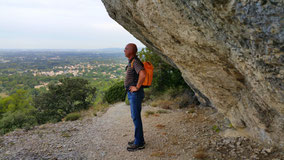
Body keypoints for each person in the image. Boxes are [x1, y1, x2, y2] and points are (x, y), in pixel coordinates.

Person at [124, 43, 146, 151]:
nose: (124, 50)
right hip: (133, 94)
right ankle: (138, 139)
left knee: (136, 117)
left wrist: (136, 87)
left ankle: (139, 143)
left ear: (132, 51)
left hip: (135, 94)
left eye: (126, 48)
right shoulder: (132, 62)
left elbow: (142, 74)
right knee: (135, 117)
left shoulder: (135, 62)